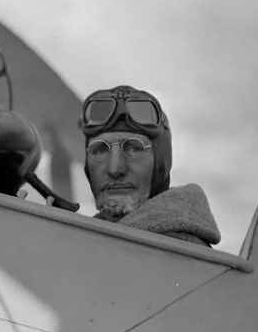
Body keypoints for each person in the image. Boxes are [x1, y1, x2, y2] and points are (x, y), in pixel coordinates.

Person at [78, 85, 221, 248]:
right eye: (100, 149)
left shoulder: (179, 256)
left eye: (133, 148)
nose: (115, 169)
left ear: (161, 163)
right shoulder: (87, 243)